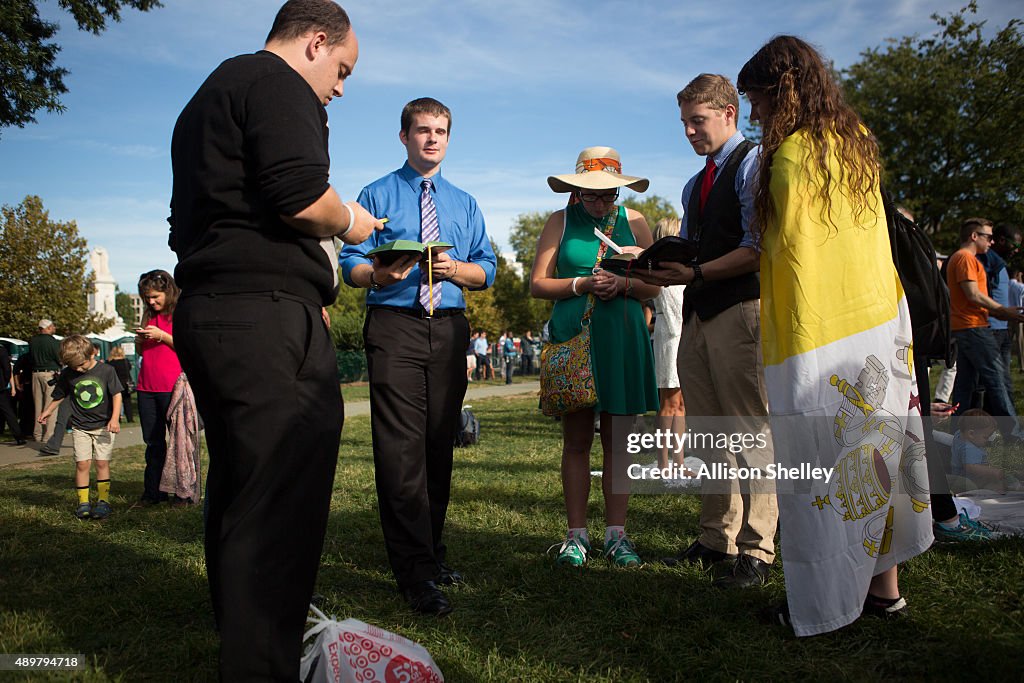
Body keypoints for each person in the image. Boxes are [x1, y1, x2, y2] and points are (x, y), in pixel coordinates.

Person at [168, 1, 380, 677]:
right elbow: (298, 194)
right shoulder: (278, 84)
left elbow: (187, 224)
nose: (340, 88)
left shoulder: (209, 96)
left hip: (212, 308)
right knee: (281, 499)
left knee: (242, 488)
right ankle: (261, 660)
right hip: (262, 318)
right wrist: (351, 220)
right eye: (341, 69)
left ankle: (244, 639)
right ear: (317, 42)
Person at [736, 35, 933, 634]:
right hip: (879, 321)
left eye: (759, 102)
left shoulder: (792, 155)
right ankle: (884, 594)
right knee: (883, 457)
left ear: (782, 93)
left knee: (823, 467)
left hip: (816, 331)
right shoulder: (857, 142)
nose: (756, 116)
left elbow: (788, 250)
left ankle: (821, 606)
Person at [339, 97, 497, 616]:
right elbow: (351, 262)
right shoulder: (375, 193)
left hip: (449, 330)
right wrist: (376, 275)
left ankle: (430, 554)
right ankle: (415, 574)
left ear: (449, 138)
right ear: (404, 136)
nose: (432, 139)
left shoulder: (465, 203)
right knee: (400, 449)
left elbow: (486, 270)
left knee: (437, 445)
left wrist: (454, 271)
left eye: (441, 131)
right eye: (423, 130)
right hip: (395, 325)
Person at [630, 74, 776, 589]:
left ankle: (758, 549)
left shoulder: (754, 163)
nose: (690, 132)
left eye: (699, 120)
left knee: (749, 429)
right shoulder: (696, 184)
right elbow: (691, 250)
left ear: (730, 114)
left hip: (741, 307)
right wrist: (646, 262)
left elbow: (760, 247)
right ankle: (718, 538)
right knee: (712, 430)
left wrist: (694, 272)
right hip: (696, 310)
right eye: (685, 123)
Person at [530, 146, 660, 568]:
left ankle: (616, 536)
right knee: (578, 441)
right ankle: (576, 536)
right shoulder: (559, 221)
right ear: (576, 191)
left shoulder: (635, 222)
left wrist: (624, 286)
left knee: (619, 443)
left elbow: (655, 286)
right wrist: (583, 285)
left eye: (609, 195)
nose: (601, 202)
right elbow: (538, 284)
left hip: (622, 337)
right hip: (575, 339)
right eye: (591, 194)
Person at [946, 218, 1024, 438]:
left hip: (967, 327)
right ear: (974, 236)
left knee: (965, 384)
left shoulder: (962, 258)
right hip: (973, 328)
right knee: (996, 378)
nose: (991, 242)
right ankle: (1014, 433)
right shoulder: (965, 258)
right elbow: (973, 295)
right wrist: (1003, 310)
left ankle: (957, 434)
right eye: (988, 237)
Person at [38, 335, 122, 520]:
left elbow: (116, 395)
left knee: (101, 462)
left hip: (103, 427)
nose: (78, 369)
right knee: (82, 463)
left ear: (93, 353)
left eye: (81, 365)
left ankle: (103, 502)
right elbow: (60, 394)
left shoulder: (107, 370)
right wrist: (48, 411)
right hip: (80, 427)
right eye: (74, 366)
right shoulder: (69, 373)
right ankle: (83, 503)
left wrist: (114, 418)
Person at [134, 270, 183, 506]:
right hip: (146, 387)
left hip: (172, 387)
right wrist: (140, 341)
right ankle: (154, 492)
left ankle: (182, 493)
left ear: (167, 291)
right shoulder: (147, 316)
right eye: (147, 298)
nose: (151, 302)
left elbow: (188, 347)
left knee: (179, 443)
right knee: (153, 442)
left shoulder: (180, 314)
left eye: (155, 296)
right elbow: (142, 353)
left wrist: (162, 335)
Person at [649, 217, 687, 477]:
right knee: (669, 404)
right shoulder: (659, 272)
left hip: (684, 336)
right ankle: (664, 463)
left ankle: (680, 463)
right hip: (670, 339)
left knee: (681, 405)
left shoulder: (683, 270)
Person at [949, 409, 1020, 493]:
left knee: (1001, 479)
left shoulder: (960, 434)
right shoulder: (968, 448)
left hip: (968, 475)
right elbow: (970, 467)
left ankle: (1012, 483)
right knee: (996, 484)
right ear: (971, 434)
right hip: (968, 478)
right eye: (985, 437)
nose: (988, 440)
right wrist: (994, 472)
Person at [28, 319, 61, 443]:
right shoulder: (52, 341)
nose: (54, 328)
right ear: (47, 328)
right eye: (52, 326)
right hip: (50, 374)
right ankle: (48, 435)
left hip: (35, 373)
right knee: (50, 405)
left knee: (38, 405)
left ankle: (37, 434)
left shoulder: (33, 341)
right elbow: (59, 357)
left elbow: (30, 357)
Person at [0, 344, 26, 445]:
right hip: (1, 386)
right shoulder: (1, 350)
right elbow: (7, 369)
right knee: (8, 412)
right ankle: (18, 436)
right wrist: (6, 381)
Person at [107, 346, 134, 423]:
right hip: (125, 384)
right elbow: (129, 369)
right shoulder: (125, 361)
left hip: (115, 384)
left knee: (115, 401)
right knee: (127, 402)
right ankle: (130, 418)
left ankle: (117, 418)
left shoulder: (110, 363)